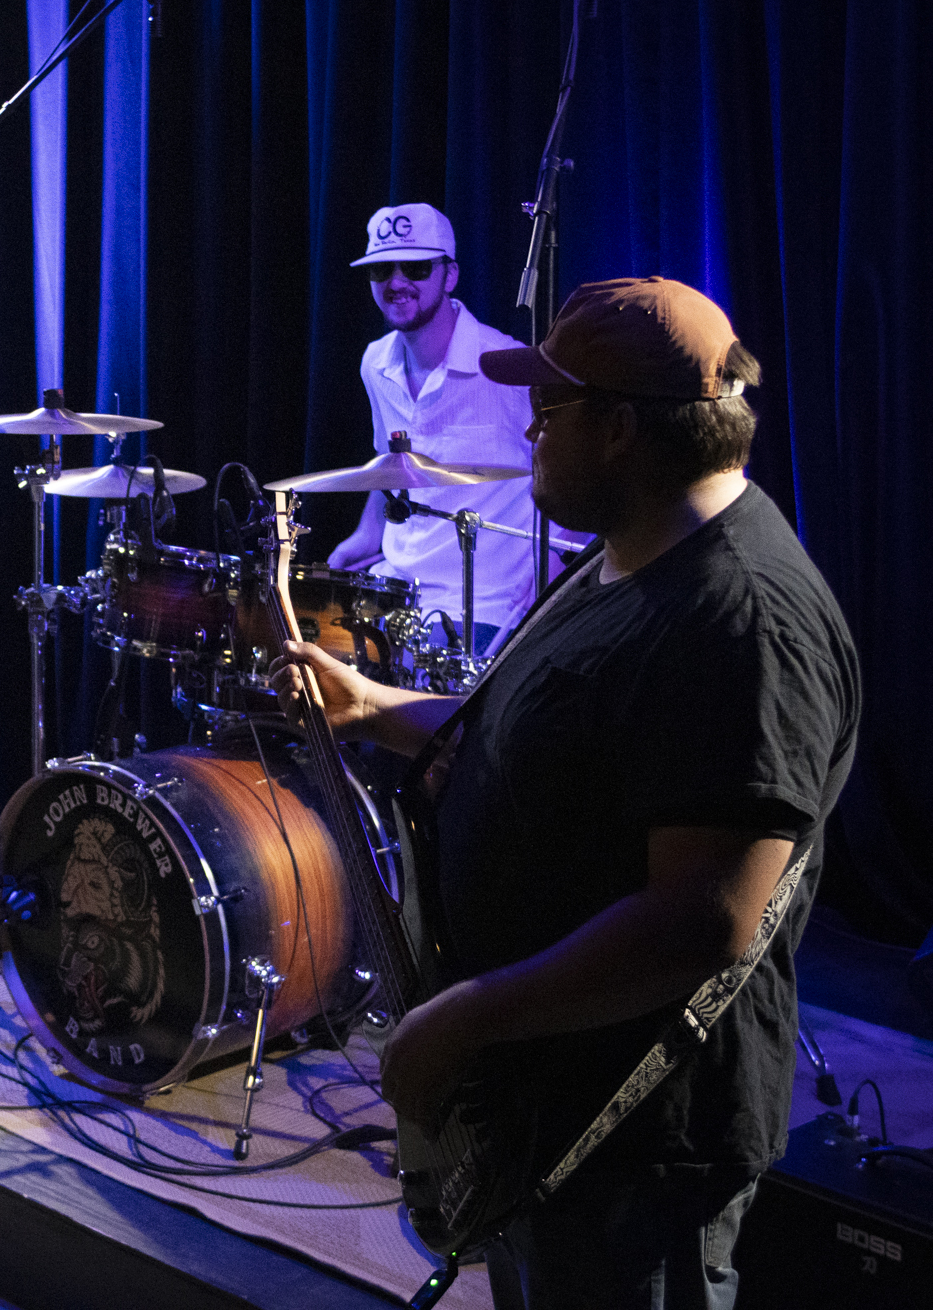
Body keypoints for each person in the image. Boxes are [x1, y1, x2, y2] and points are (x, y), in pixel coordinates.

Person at [272, 277, 859, 1308]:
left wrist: (462, 1021)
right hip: (541, 1093)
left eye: (547, 407)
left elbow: (700, 921)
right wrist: (369, 703)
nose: (524, 428)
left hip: (636, 1138)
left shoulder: (740, 623)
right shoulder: (626, 555)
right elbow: (538, 729)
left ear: (621, 429)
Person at [327, 203, 541, 648]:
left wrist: (553, 570)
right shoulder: (375, 363)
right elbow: (392, 471)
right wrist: (360, 541)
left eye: (417, 267)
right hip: (397, 594)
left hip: (483, 606)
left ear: (451, 275)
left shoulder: (505, 365)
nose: (397, 282)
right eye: (382, 270)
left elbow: (575, 472)